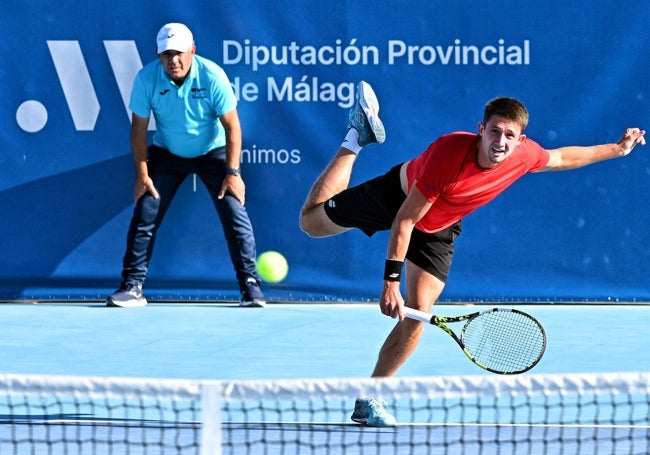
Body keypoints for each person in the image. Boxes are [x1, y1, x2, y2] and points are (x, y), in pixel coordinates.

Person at [299, 81, 646, 426]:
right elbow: (405, 220)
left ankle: (371, 396)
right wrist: (390, 283)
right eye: (495, 132)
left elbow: (561, 157)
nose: (501, 142)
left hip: (439, 224)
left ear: (521, 140)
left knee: (418, 313)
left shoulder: (524, 155)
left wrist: (617, 149)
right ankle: (355, 139)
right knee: (311, 223)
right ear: (481, 130)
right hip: (400, 198)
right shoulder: (448, 154)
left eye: (510, 136)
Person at [106, 23, 265, 308]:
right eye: (166, 54)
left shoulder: (213, 76)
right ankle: (132, 286)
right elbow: (138, 130)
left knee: (234, 212)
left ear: (192, 51)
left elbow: (232, 126)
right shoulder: (147, 79)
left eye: (178, 53)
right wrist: (142, 174)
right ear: (159, 56)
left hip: (214, 153)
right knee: (146, 212)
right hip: (168, 154)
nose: (173, 60)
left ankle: (250, 286)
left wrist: (233, 173)